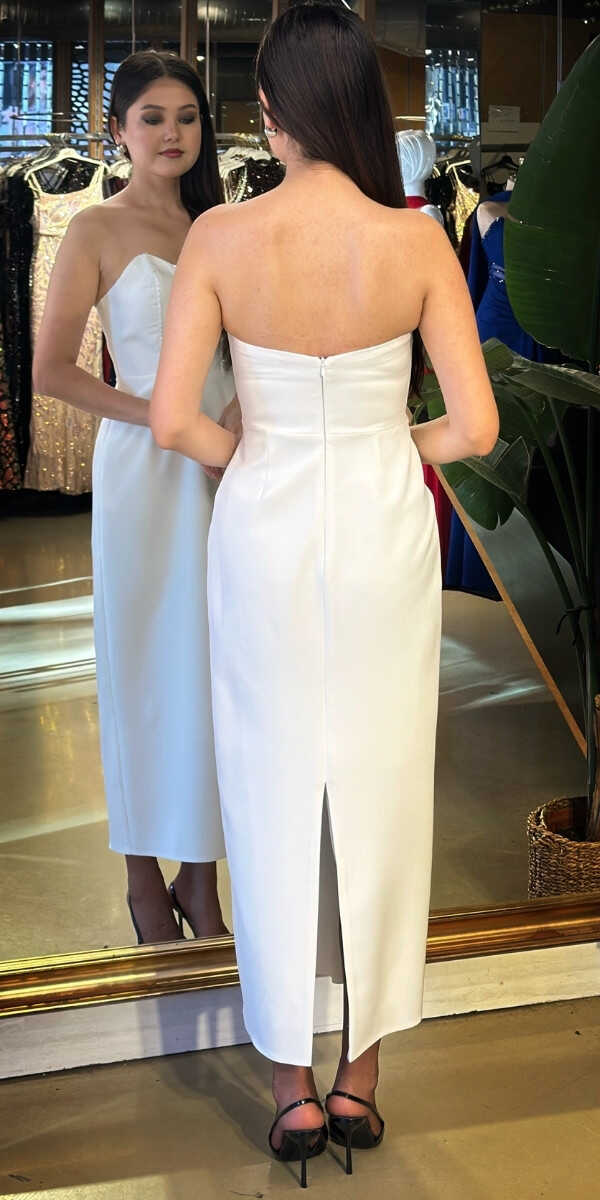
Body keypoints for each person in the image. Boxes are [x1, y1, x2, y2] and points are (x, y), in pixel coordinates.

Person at [150, 1, 499, 1187]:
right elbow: (476, 426)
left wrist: (257, 452)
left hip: (264, 529)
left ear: (268, 112)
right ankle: (365, 1073)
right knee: (386, 783)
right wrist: (386, 450)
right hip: (382, 534)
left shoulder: (221, 238)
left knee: (270, 786)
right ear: (363, 105)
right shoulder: (415, 242)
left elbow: (175, 420)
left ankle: (290, 1087)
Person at [33, 51, 238, 946]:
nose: (171, 133)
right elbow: (50, 372)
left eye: (187, 116)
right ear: (117, 130)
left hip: (224, 466)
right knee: (145, 664)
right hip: (145, 472)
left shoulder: (222, 226)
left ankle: (201, 873)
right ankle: (141, 877)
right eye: (152, 117)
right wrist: (157, 415)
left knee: (214, 666)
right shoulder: (94, 228)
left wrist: (234, 422)